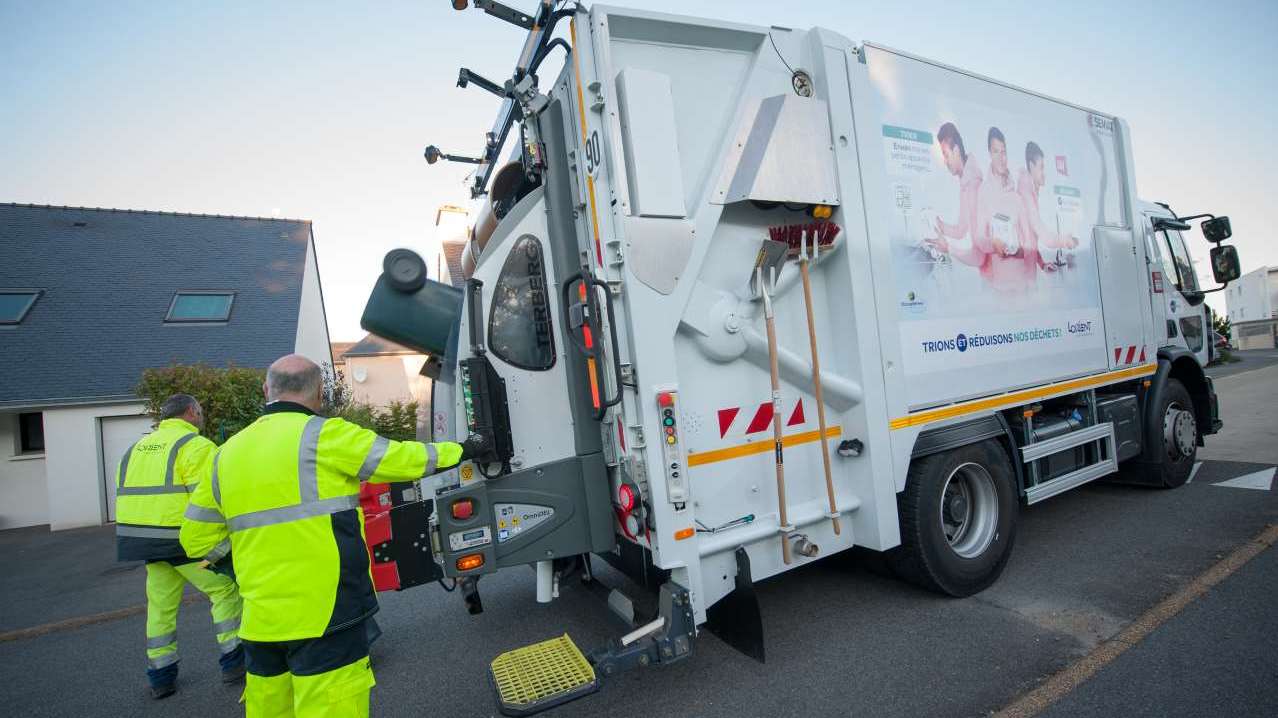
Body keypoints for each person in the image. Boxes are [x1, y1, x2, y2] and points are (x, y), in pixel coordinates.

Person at [180, 354, 486, 717]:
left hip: (261, 621)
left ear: (266, 390)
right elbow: (403, 459)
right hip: (328, 613)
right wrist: (465, 449)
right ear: (320, 394)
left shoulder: (225, 455)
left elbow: (194, 537)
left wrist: (234, 567)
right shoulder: (327, 435)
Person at [115, 393, 244, 699]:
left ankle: (161, 676)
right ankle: (234, 662)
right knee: (223, 589)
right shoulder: (195, 446)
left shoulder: (135, 448)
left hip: (144, 544)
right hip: (185, 546)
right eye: (200, 412)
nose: (201, 417)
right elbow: (211, 501)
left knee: (161, 606)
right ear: (190, 412)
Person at [1017, 141, 1079, 282]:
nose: (1044, 174)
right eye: (1042, 167)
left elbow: (1027, 241)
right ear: (1031, 166)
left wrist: (1042, 264)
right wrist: (1067, 241)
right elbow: (1046, 237)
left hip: (1027, 277)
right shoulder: (1026, 195)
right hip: (1023, 282)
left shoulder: (1028, 192)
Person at [933, 121, 983, 248]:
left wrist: (948, 248)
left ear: (956, 150)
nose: (945, 162)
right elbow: (961, 230)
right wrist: (940, 226)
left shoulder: (972, 184)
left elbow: (978, 244)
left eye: (945, 154)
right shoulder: (967, 180)